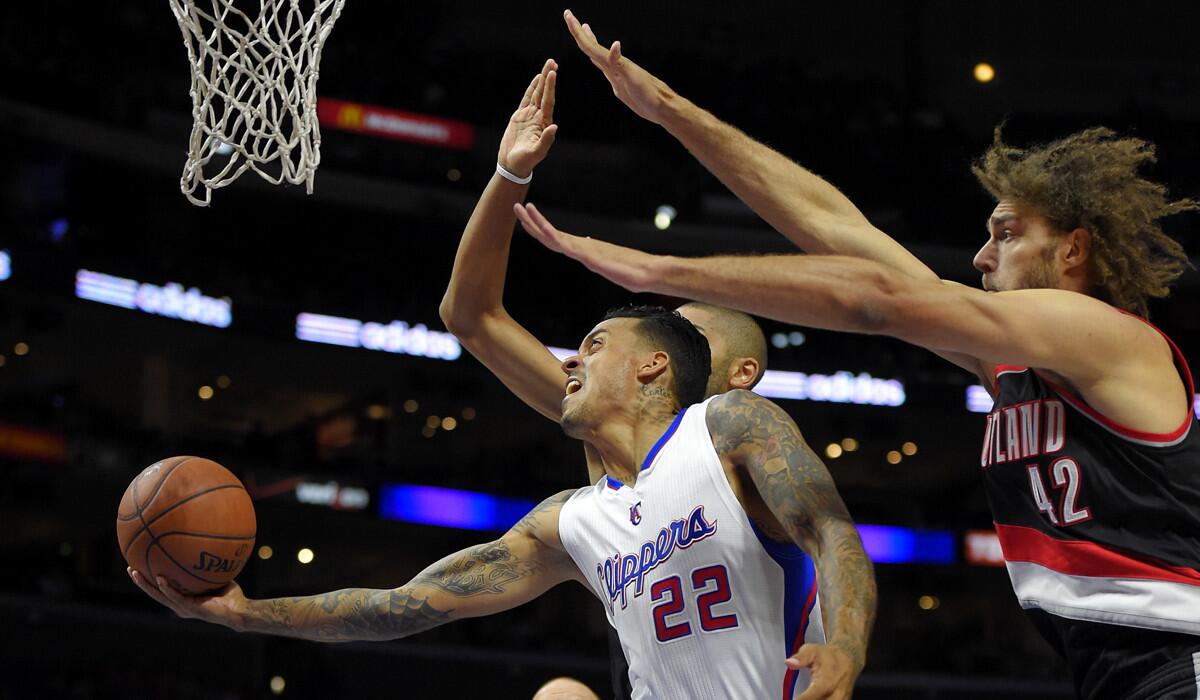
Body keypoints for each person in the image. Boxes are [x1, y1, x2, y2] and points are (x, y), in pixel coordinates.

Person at [514, 13, 1200, 699]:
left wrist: (661, 273)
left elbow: (877, 297)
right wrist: (670, 112)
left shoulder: (1108, 336)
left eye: (1008, 235)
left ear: (1074, 249)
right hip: (1115, 672)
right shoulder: (1011, 367)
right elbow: (836, 228)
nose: (981, 256)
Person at [130, 304, 875, 700]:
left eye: (593, 343)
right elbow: (405, 605)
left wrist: (844, 644)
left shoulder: (729, 426)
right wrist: (243, 614)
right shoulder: (574, 519)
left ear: (653, 364)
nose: (568, 360)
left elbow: (831, 532)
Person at [438, 60, 813, 699]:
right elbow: (469, 315)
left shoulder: (751, 449)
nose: (664, 345)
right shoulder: (611, 416)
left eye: (687, 336)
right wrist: (510, 174)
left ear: (742, 374)